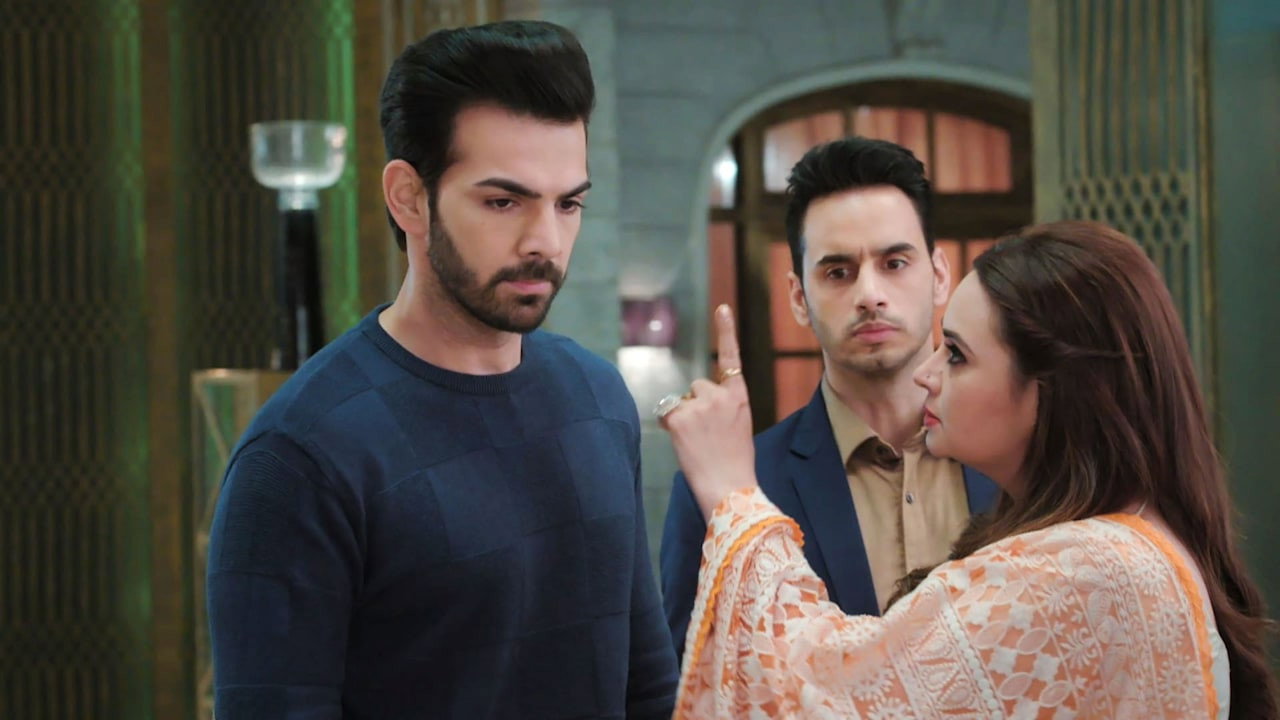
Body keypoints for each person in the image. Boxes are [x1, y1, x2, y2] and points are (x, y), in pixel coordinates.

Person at [206, 21, 677, 719]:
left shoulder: (597, 396)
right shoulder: (301, 457)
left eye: (568, 203)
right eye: (503, 201)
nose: (546, 241)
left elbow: (649, 687)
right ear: (409, 198)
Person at [659, 221, 1277, 718]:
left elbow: (835, 697)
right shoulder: (1099, 545)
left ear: (1051, 389)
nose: (927, 374)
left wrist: (732, 493)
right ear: (799, 294)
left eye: (955, 353)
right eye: (837, 270)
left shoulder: (1093, 568)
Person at [661, 137, 998, 659]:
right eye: (838, 272)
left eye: (894, 263)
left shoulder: (1022, 455)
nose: (869, 295)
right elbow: (692, 683)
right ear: (799, 297)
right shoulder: (733, 490)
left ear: (938, 276)